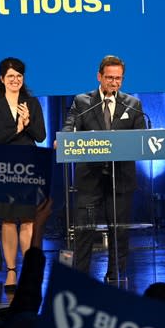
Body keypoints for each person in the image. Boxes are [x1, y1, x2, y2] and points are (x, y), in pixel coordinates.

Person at [61, 55, 146, 282]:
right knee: (84, 232)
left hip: (121, 179)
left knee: (119, 232)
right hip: (90, 178)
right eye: (109, 78)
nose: (114, 83)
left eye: (118, 79)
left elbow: (142, 139)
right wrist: (64, 139)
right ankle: (80, 279)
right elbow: (69, 127)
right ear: (99, 77)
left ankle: (115, 277)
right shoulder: (82, 102)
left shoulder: (133, 104)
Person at [0, 57, 46, 289]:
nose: (15, 80)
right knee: (9, 220)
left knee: (28, 220)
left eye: (19, 76)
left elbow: (40, 136)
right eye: (10, 76)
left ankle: (28, 272)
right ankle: (11, 271)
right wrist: (17, 129)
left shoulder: (32, 102)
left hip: (29, 166)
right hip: (4, 167)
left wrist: (28, 123)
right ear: (2, 79)